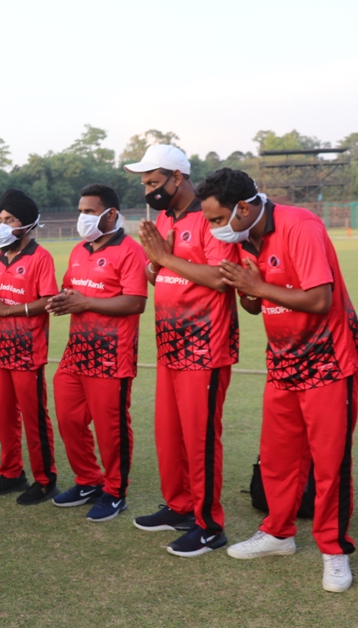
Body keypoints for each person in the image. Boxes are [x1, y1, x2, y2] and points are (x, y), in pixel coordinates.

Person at [196, 167, 358, 593]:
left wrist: (259, 287)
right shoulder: (246, 237)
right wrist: (252, 294)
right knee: (277, 458)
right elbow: (255, 305)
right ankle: (278, 533)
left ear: (244, 207)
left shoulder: (300, 225)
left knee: (329, 463)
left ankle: (334, 550)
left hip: (329, 360)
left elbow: (319, 299)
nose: (214, 229)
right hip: (283, 362)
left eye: (218, 220)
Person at [130, 145, 239, 557]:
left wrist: (164, 258)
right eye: (144, 183)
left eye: (154, 181)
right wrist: (155, 265)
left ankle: (210, 526)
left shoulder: (211, 214)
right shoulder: (164, 217)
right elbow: (158, 273)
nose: (148, 189)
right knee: (169, 434)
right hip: (170, 344)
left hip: (205, 345)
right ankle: (179, 507)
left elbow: (220, 278)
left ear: (178, 177)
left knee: (200, 438)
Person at [49, 184, 148, 522]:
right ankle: (88, 480)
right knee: (68, 419)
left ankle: (115, 491)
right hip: (76, 353)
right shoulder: (78, 250)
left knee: (112, 428)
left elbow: (136, 302)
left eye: (90, 212)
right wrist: (62, 300)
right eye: (81, 210)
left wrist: (86, 301)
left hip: (112, 355)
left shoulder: (131, 250)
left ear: (111, 214)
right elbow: (71, 290)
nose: (83, 217)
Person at [0, 189, 60, 504]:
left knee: (33, 416)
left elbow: (48, 301)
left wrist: (7, 310)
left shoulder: (41, 257)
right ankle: (12, 473)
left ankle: (44, 479)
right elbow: (0, 298)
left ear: (26, 224)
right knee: (4, 415)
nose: (2, 225)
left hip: (28, 353)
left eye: (9, 220)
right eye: (0, 219)